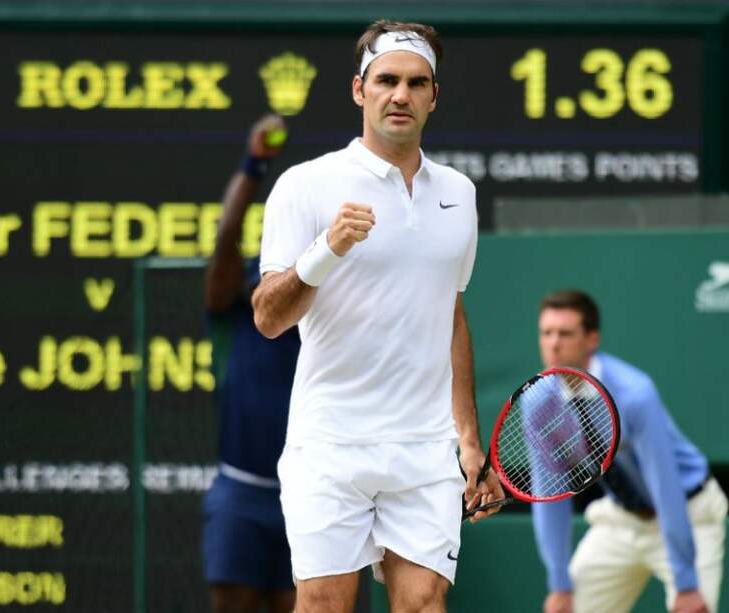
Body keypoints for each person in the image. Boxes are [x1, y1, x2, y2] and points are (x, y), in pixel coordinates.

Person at [252, 19, 504, 613]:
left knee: (422, 604)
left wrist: (468, 439)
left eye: (417, 83)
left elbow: (451, 312)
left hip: (424, 449)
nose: (401, 95)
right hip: (331, 443)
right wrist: (326, 251)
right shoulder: (305, 185)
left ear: (433, 96)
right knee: (324, 606)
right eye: (387, 80)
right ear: (359, 90)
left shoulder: (458, 195)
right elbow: (268, 317)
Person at [531, 289, 727, 613]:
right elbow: (550, 496)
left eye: (565, 333)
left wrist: (686, 582)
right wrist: (559, 584)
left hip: (689, 514)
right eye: (546, 333)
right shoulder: (538, 404)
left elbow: (665, 486)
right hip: (622, 520)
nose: (553, 343)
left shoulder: (635, 394)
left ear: (591, 339)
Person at [201, 114, 300, 613]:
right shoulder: (237, 310)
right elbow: (225, 237)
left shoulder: (324, 319)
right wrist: (254, 164)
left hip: (307, 495)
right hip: (240, 493)